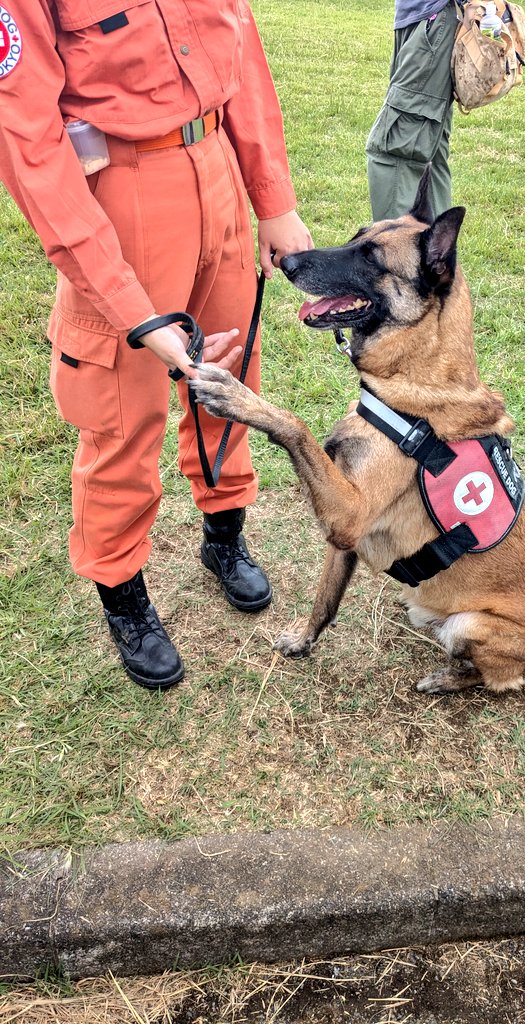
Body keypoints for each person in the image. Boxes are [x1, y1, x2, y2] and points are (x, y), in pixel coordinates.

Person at [0, 0, 313, 690]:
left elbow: (243, 53)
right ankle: (123, 594)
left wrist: (273, 198)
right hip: (122, 194)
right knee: (120, 411)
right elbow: (29, 138)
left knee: (232, 381)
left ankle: (223, 536)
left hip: (219, 167)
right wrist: (130, 309)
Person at [366, 2, 458, 220]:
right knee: (429, 153)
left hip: (435, 19)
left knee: (396, 150)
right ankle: (436, 252)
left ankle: (395, 252)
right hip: (422, 17)